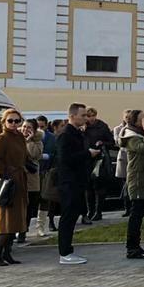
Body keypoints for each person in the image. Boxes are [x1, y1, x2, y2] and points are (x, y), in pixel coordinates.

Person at [57, 104, 99, 265]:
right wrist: (87, 153)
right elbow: (65, 159)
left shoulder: (77, 133)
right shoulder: (66, 134)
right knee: (68, 217)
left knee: (73, 216)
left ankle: (68, 250)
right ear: (72, 116)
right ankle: (65, 252)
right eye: (82, 115)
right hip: (69, 182)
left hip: (77, 181)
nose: (85, 118)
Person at [0, 108, 30, 266]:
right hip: (8, 183)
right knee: (7, 220)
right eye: (10, 121)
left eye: (17, 121)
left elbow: (24, 156)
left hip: (20, 180)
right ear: (4, 122)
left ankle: (7, 252)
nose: (14, 124)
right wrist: (6, 170)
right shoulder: (2, 138)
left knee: (18, 219)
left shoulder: (19, 136)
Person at [120, 110, 144, 258]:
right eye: (143, 119)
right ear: (135, 121)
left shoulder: (138, 135)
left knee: (140, 214)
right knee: (135, 215)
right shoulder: (132, 137)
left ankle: (137, 245)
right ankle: (132, 248)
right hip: (137, 180)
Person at [82, 106, 115, 222]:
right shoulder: (83, 127)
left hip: (99, 159)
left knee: (99, 185)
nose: (90, 119)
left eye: (92, 116)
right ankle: (90, 210)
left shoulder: (102, 126)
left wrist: (102, 143)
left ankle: (98, 211)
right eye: (88, 116)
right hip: (87, 158)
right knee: (88, 187)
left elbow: (112, 142)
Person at [20, 117, 43, 244]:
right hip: (18, 176)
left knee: (28, 207)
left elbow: (35, 155)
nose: (25, 129)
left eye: (29, 128)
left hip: (31, 178)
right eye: (24, 126)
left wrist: (28, 141)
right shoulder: (16, 138)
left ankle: (23, 231)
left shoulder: (38, 141)